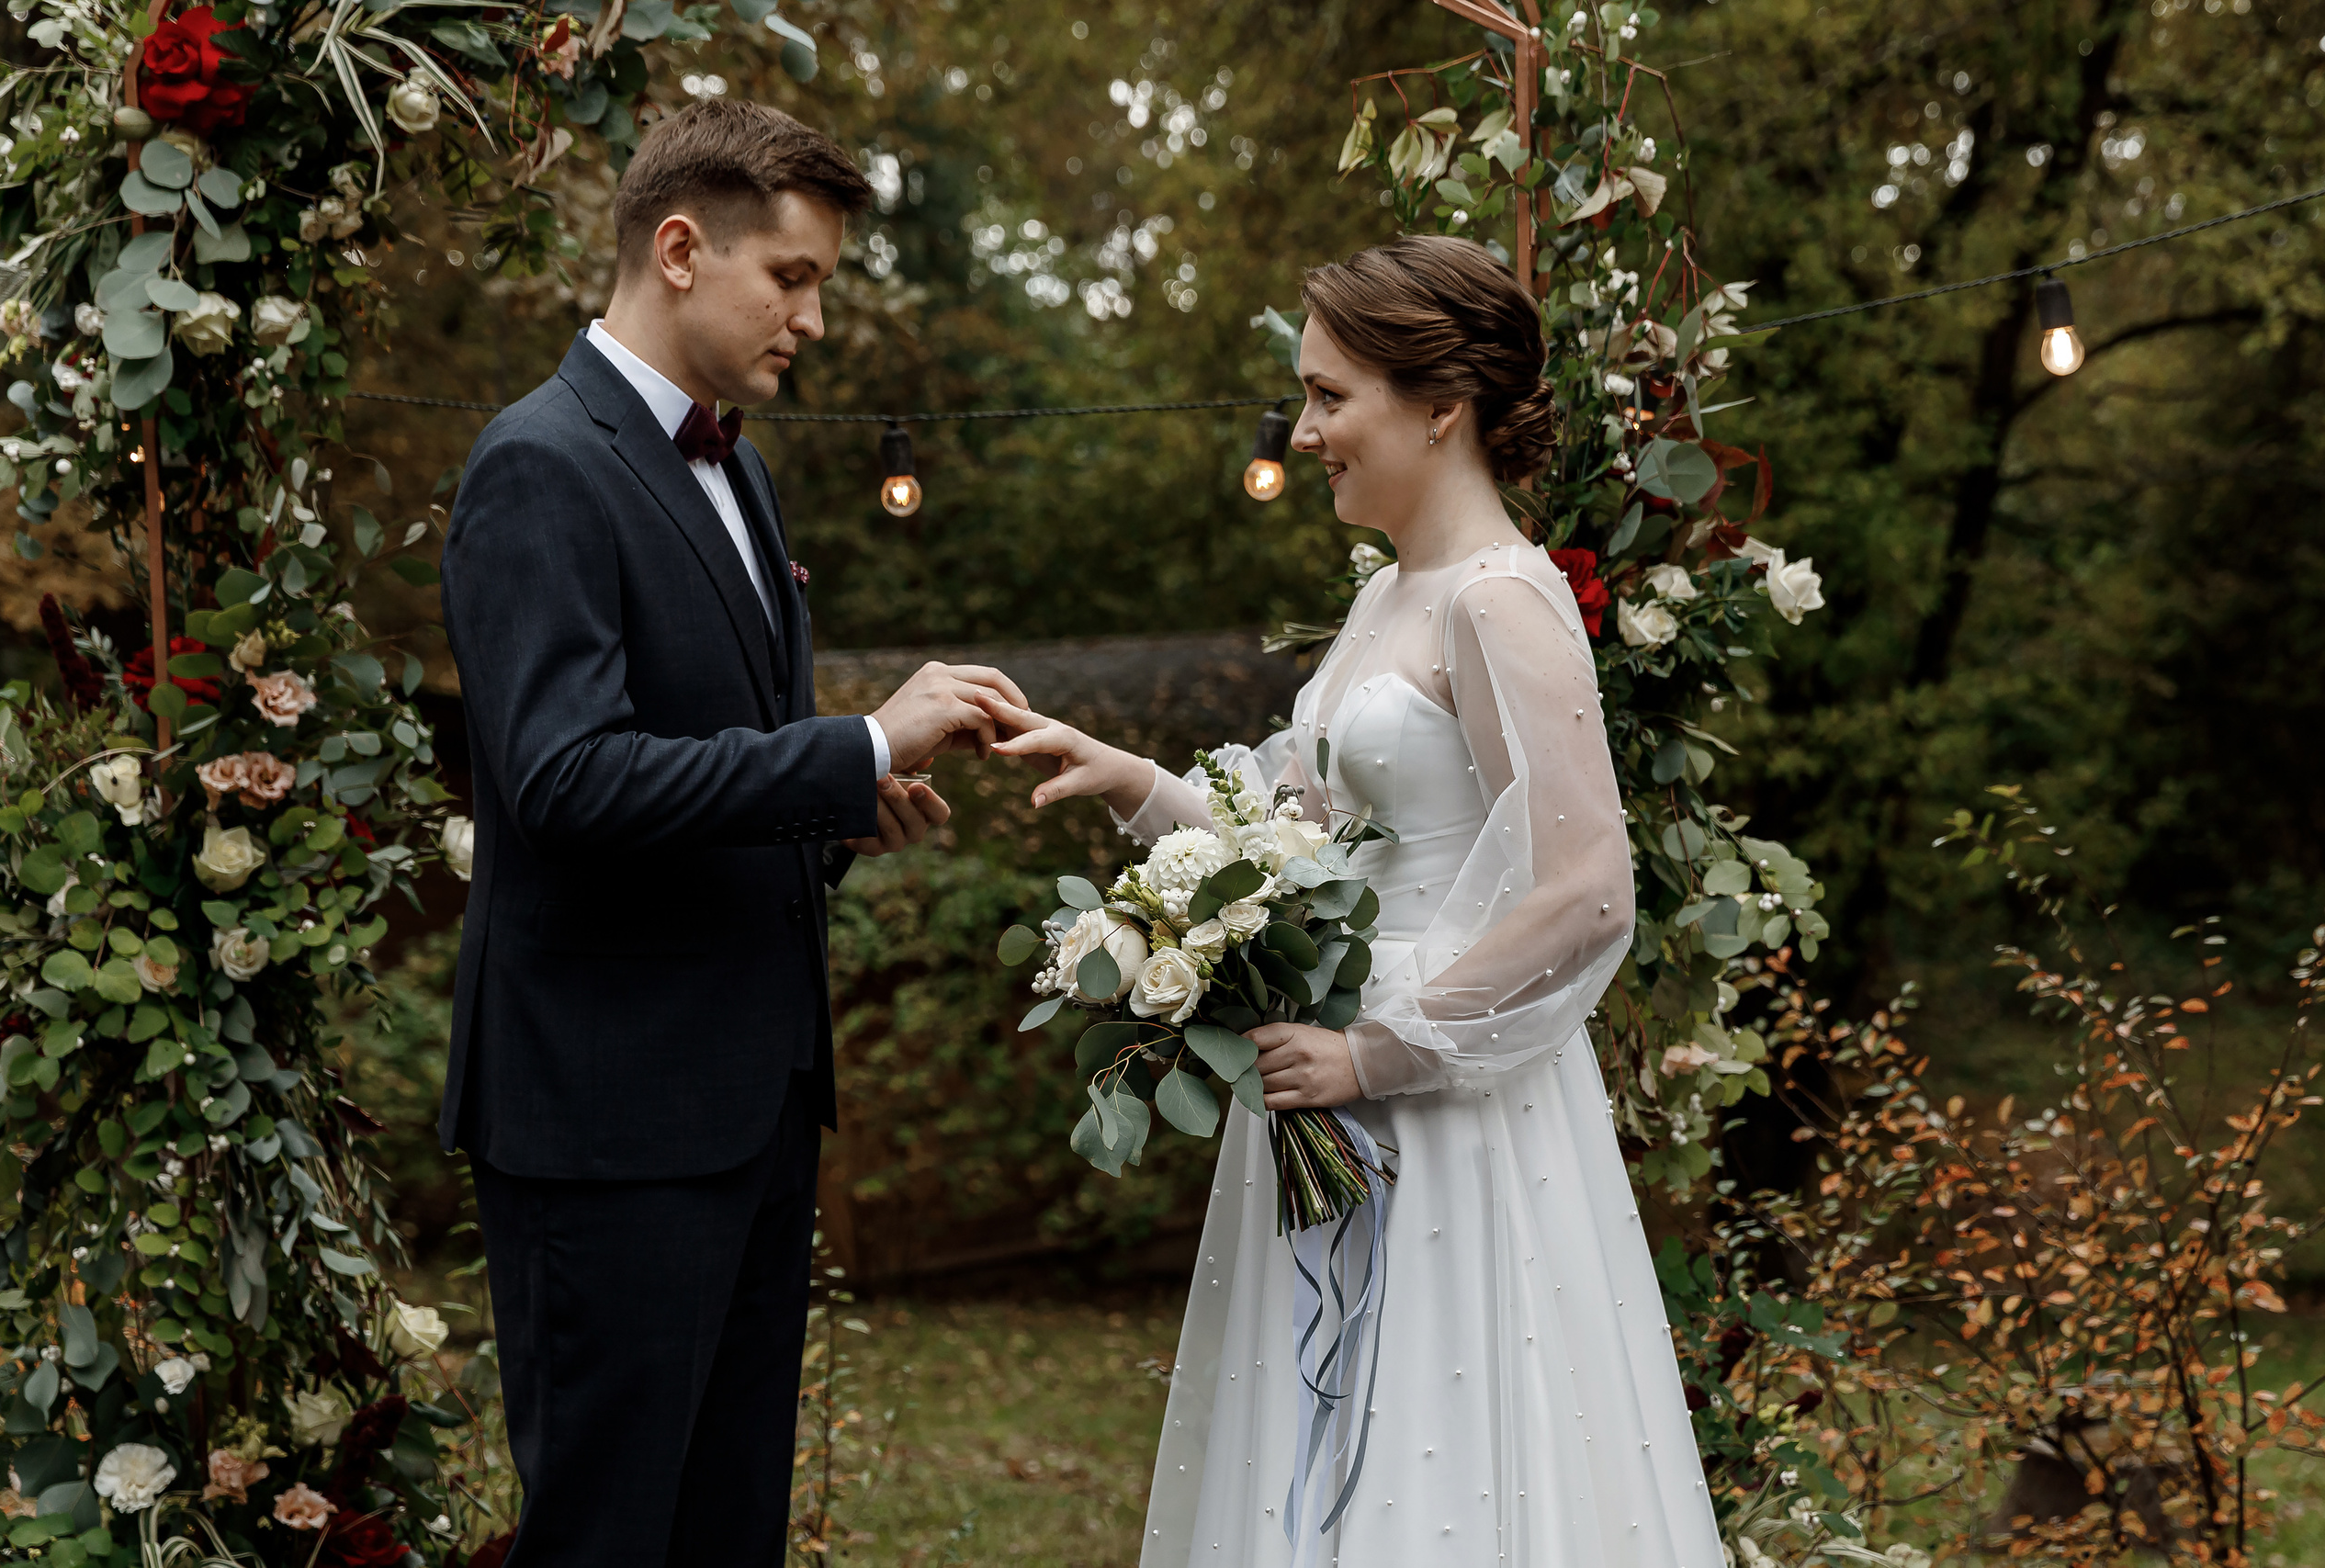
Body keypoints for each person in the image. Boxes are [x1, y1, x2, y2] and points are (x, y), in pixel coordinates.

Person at [988, 235, 1723, 1566]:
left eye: (1330, 396)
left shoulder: (1501, 602)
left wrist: (1377, 1052)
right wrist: (1130, 780)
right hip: (1326, 1094)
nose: (1305, 431)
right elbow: (1296, 849)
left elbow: (1586, 890)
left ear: (1440, 404)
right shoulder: (1389, 593)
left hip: (1442, 1112)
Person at [438, 99, 1025, 1567]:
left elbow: (706, 763)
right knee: (608, 1539)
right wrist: (858, 741)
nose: (814, 320)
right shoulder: (538, 462)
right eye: (794, 277)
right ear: (681, 249)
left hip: (749, 1110)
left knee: (727, 1537)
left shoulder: (744, 473)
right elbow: (565, 783)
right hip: (606, 1120)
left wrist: (836, 810)